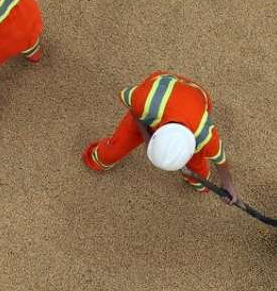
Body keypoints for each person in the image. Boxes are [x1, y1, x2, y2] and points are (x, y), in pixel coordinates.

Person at [82, 70, 238, 204]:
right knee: (108, 154)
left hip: (197, 96)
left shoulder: (205, 135)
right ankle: (95, 158)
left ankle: (196, 181)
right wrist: (146, 136)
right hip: (161, 93)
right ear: (155, 132)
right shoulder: (144, 99)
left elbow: (220, 160)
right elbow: (131, 106)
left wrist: (228, 184)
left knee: (200, 177)